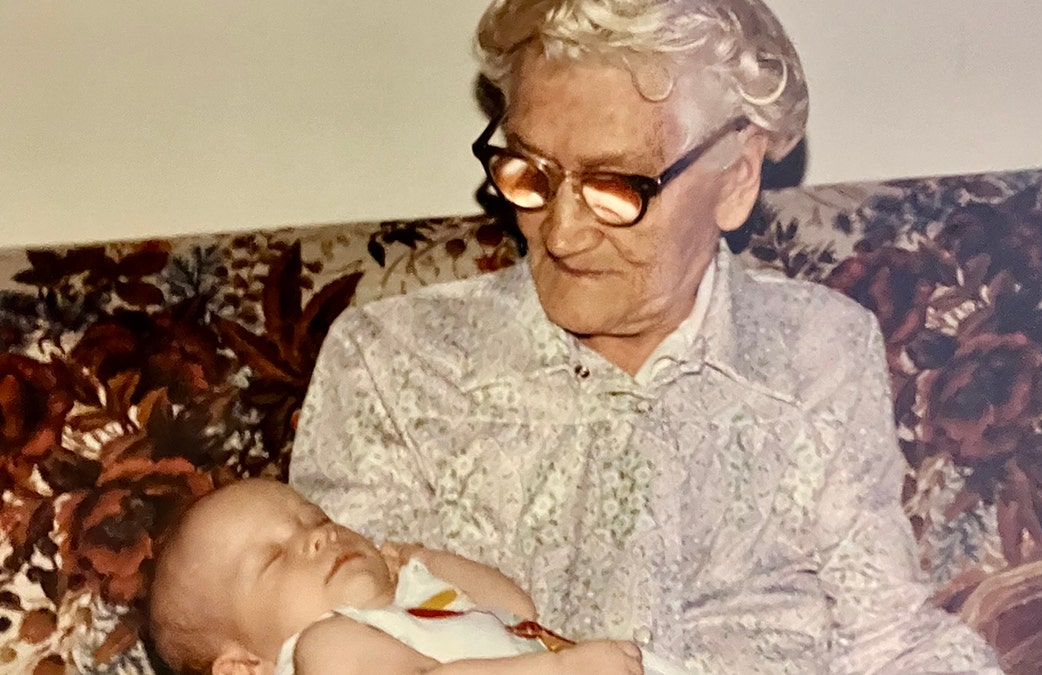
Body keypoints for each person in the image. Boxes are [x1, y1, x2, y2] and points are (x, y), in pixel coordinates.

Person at [289, 0, 1003, 672]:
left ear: (736, 176)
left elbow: (886, 636)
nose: (562, 233)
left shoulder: (817, 349)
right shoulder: (393, 362)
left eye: (618, 186)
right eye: (531, 171)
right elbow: (330, 639)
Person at [148, 479, 691, 675]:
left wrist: (422, 561)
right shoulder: (324, 647)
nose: (317, 538)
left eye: (316, 518)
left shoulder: (414, 603)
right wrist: (564, 671)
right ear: (246, 668)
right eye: (272, 559)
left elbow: (519, 614)